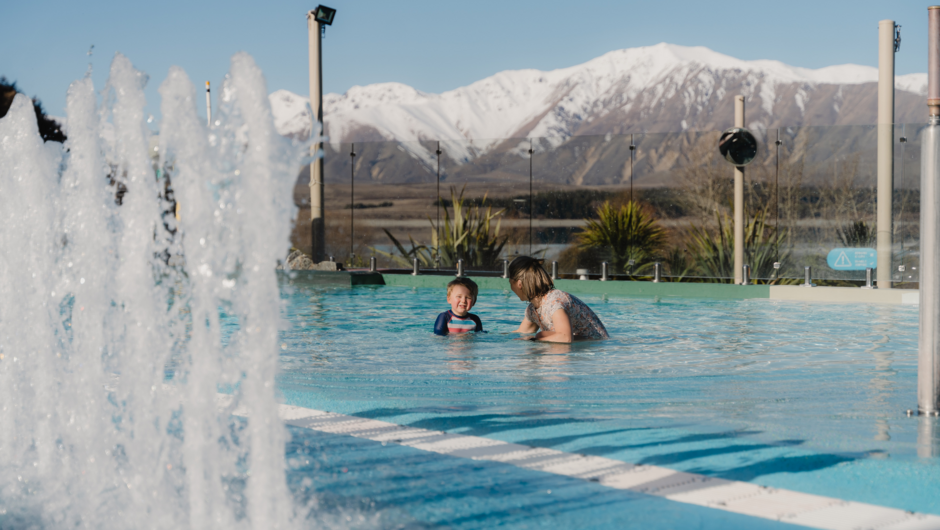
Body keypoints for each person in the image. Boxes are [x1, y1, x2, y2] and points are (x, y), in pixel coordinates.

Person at [507, 256, 609, 342]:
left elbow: (566, 338)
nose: (511, 288)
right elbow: (521, 333)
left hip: (596, 350)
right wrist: (494, 336)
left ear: (519, 284)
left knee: (540, 337)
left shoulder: (554, 302)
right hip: (581, 352)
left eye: (510, 283)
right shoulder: (533, 310)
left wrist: (535, 340)